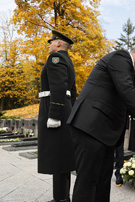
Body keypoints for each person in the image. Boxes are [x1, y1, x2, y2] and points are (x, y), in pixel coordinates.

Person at [66, 43, 135, 202]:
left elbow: (126, 102)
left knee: (102, 182)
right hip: (91, 128)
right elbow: (127, 92)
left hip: (105, 134)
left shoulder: (126, 69)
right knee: (87, 182)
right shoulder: (120, 58)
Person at [37, 30, 76, 202]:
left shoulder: (56, 58)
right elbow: (72, 92)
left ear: (58, 43)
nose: (49, 44)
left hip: (56, 109)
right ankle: (61, 197)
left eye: (51, 42)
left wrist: (54, 115)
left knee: (58, 157)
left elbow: (58, 87)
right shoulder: (68, 61)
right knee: (62, 157)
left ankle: (61, 199)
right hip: (64, 109)